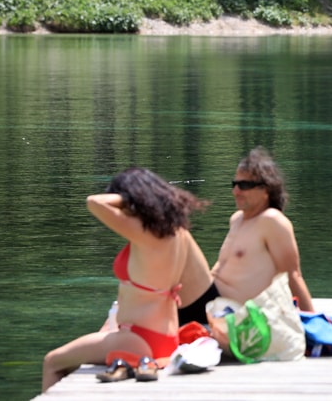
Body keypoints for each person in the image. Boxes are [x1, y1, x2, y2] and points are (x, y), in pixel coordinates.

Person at [41, 168, 209, 392]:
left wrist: (130, 197)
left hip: (138, 340)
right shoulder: (178, 232)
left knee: (52, 361)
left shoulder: (145, 234)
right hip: (166, 339)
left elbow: (94, 202)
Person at [205, 147, 315, 351]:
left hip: (237, 310)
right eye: (235, 184)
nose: (236, 191)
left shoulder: (272, 221)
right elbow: (219, 268)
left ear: (266, 190)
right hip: (211, 303)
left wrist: (312, 324)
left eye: (244, 185)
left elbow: (293, 275)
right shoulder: (237, 220)